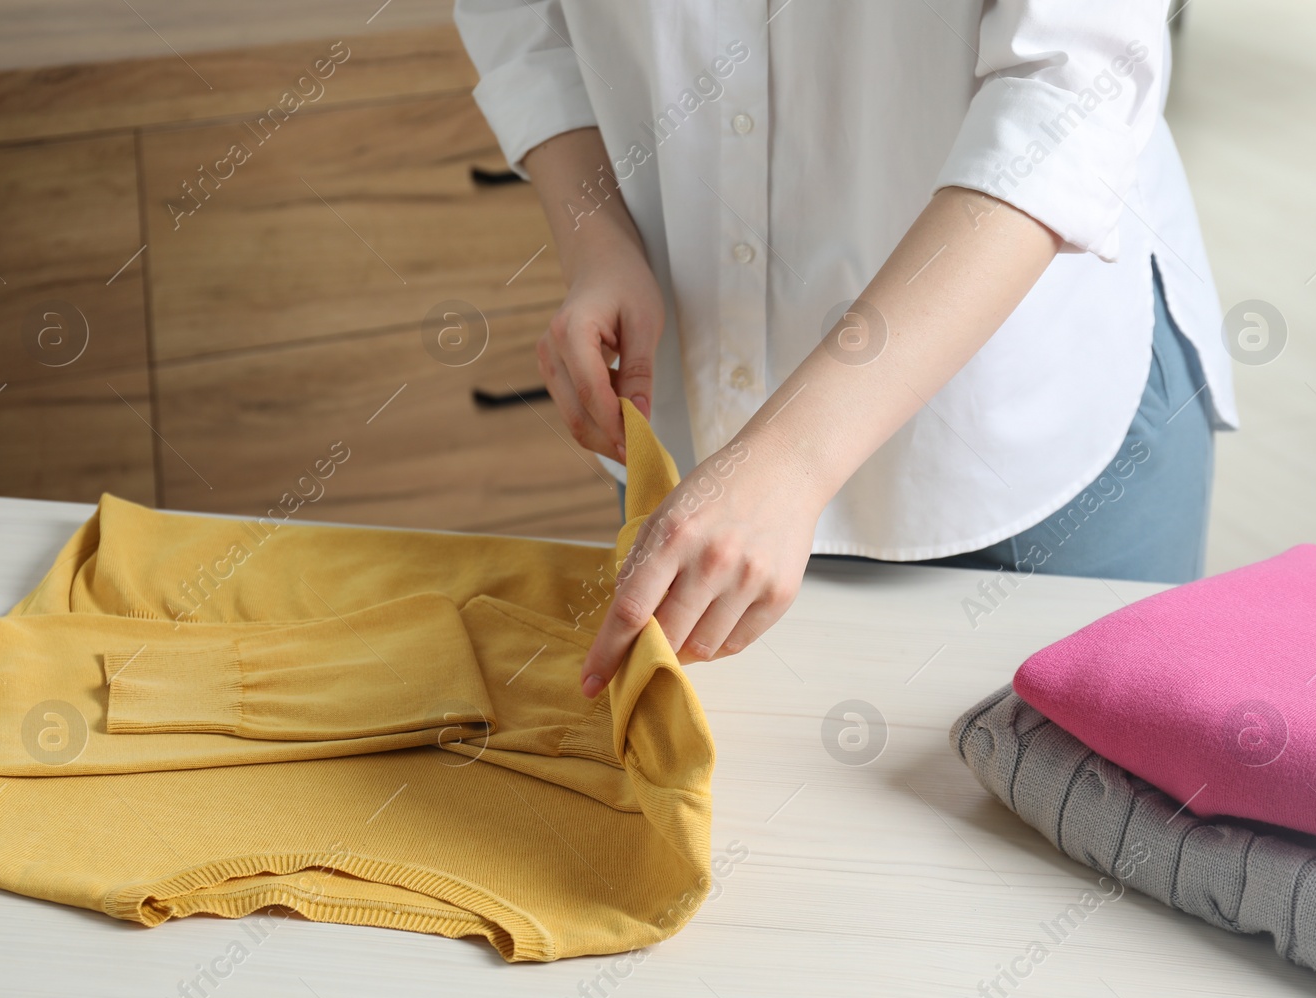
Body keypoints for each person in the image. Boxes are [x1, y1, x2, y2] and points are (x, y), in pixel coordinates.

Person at [453, 1, 1238, 699]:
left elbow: (1072, 84)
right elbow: (520, 15)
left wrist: (793, 460)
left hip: (1032, 422)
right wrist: (599, 240)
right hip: (702, 429)